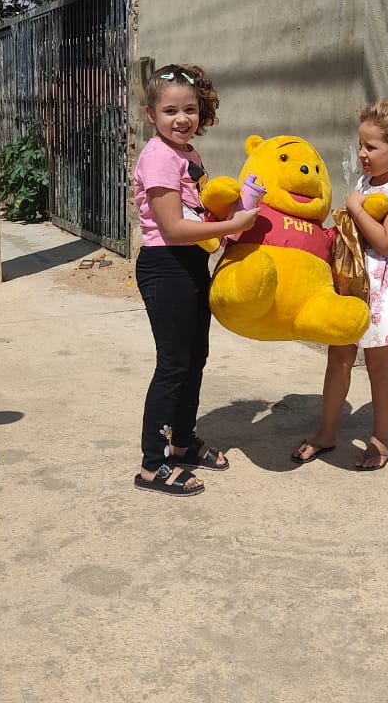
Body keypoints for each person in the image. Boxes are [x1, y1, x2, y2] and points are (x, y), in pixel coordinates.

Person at [132, 64, 260, 497]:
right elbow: (173, 228)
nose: (181, 118)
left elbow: (201, 212)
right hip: (164, 264)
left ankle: (182, 443)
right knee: (172, 365)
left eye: (190, 109)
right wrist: (230, 227)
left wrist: (238, 212)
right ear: (151, 113)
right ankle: (153, 465)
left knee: (195, 358)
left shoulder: (190, 155)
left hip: (189, 265)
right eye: (170, 110)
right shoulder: (157, 156)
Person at [292, 99, 388, 470]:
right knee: (338, 356)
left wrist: (355, 206)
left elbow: (387, 240)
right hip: (355, 279)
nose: (362, 154)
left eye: (371, 147)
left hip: (385, 284)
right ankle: (326, 432)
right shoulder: (365, 183)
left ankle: (381, 439)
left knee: (376, 364)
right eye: (361, 145)